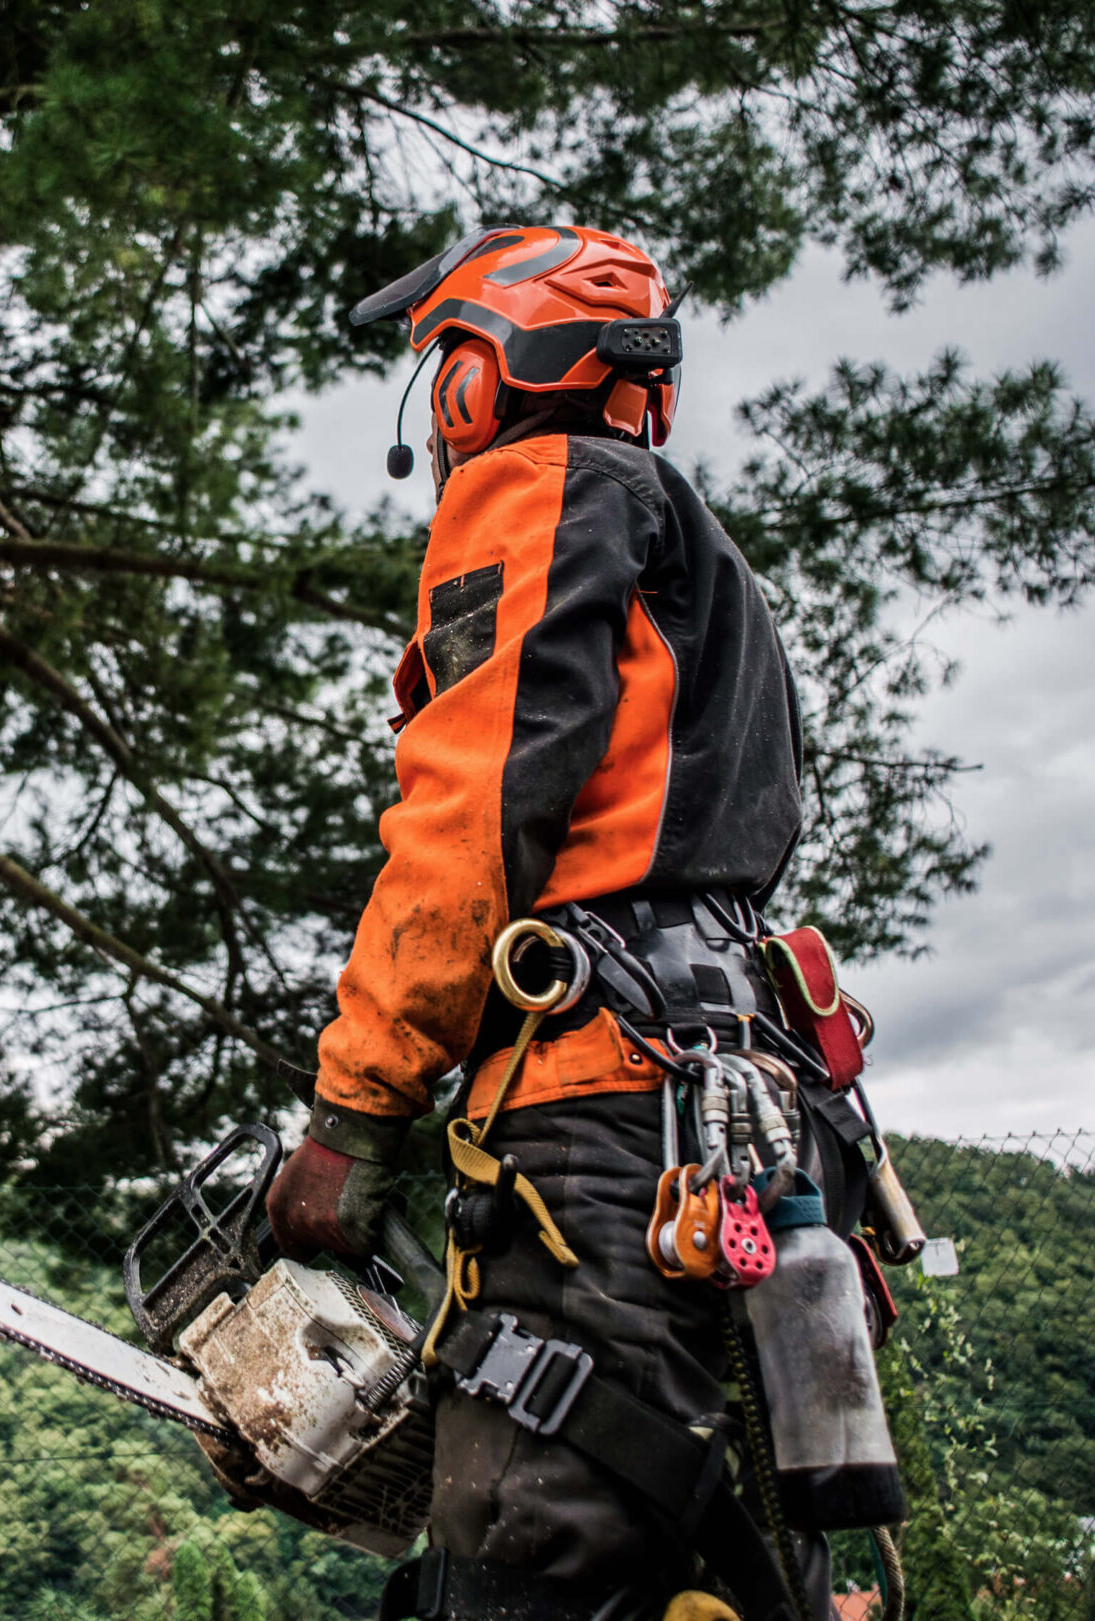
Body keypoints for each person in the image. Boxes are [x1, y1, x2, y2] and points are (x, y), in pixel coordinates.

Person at [269, 226, 852, 1621]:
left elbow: (470, 816)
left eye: (445, 374)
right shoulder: (700, 556)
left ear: (484, 369)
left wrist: (354, 1113)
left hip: (602, 1124)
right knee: (727, 1559)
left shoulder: (535, 489)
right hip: (751, 1111)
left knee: (532, 1550)